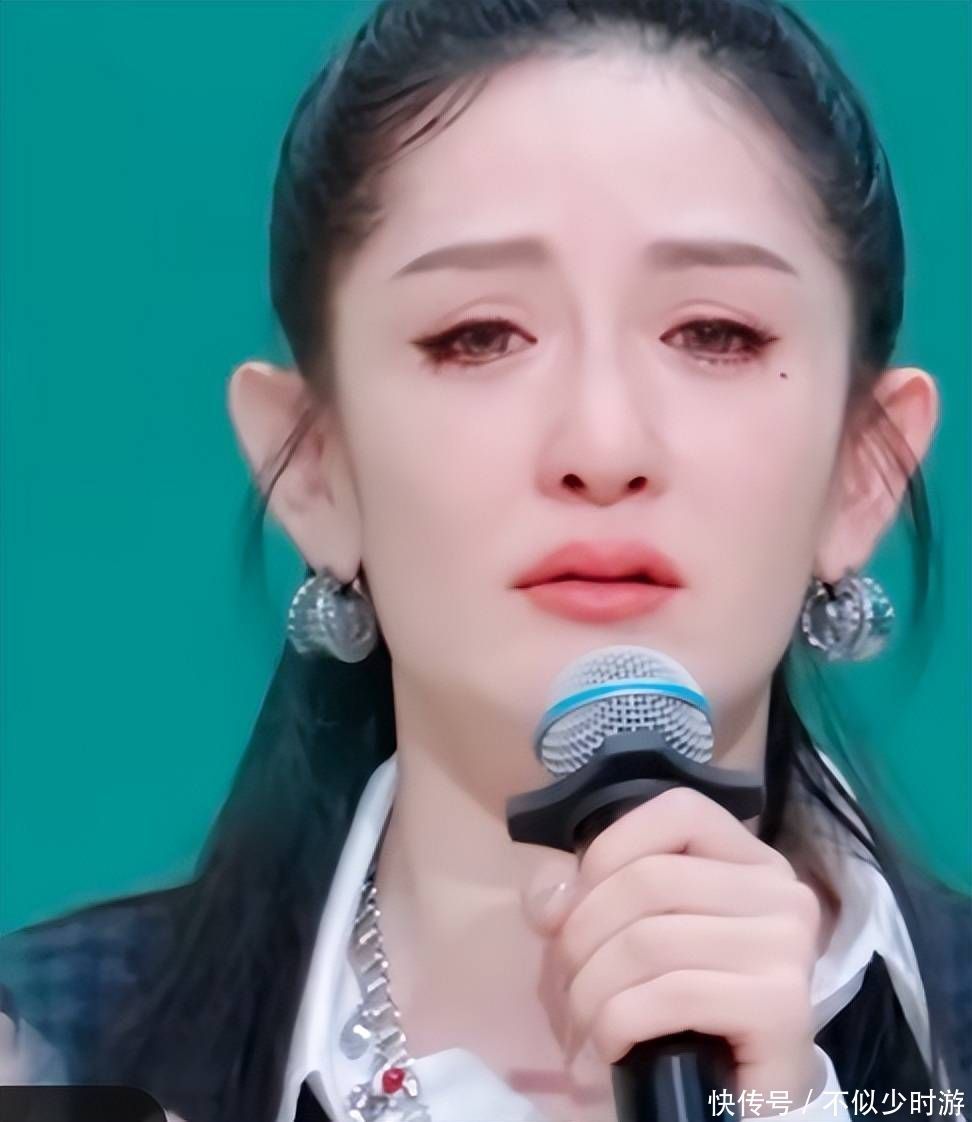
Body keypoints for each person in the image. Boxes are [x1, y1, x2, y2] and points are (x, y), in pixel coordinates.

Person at [1, 1, 969, 1120]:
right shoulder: (58, 1056)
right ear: (313, 469)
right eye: (478, 338)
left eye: (716, 335)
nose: (603, 445)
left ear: (863, 472)